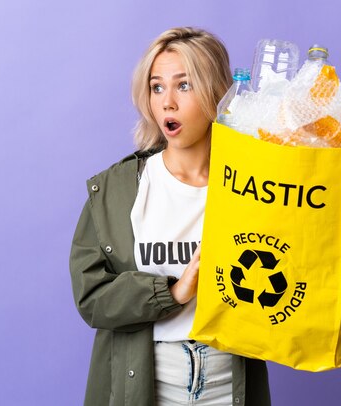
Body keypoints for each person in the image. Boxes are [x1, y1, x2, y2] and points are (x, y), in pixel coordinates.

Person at [69, 27, 271, 406]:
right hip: (149, 382)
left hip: (228, 382)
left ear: (217, 93)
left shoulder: (254, 186)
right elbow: (92, 296)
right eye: (157, 87)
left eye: (184, 85)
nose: (167, 103)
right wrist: (175, 291)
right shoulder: (117, 189)